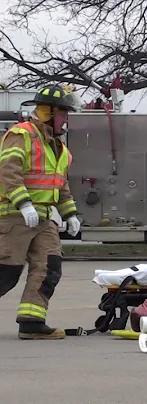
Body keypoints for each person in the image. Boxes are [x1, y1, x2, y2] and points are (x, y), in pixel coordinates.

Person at [0, 83, 82, 340]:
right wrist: (24, 204)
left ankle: (32, 322)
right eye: (64, 113)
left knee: (49, 267)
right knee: (6, 273)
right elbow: (8, 172)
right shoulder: (21, 135)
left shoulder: (59, 149)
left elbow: (60, 186)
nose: (67, 119)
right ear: (48, 112)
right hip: (15, 216)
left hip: (44, 219)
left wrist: (70, 214)